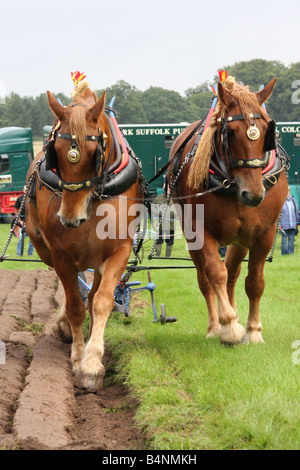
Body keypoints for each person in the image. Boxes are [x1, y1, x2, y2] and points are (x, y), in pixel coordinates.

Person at [152, 177, 175, 258]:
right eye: (166, 187)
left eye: (169, 187)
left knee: (170, 241)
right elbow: (153, 209)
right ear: (163, 187)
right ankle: (158, 256)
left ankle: (167, 257)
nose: (168, 189)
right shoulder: (158, 198)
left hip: (171, 225)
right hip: (160, 225)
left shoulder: (175, 199)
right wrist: (159, 213)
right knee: (158, 241)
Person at [279, 187, 300, 255]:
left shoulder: (293, 200)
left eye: (287, 191)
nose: (286, 192)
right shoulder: (281, 201)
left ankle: (291, 253)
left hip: (292, 224)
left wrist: (297, 222)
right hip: (283, 225)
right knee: (284, 240)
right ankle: (284, 254)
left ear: (289, 191)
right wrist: (279, 224)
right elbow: (278, 214)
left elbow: (296, 212)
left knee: (291, 239)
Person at [14, 187, 34, 257]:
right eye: (25, 190)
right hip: (22, 220)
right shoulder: (19, 199)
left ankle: (30, 253)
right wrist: (19, 220)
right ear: (23, 191)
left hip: (31, 221)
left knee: (32, 238)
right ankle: (19, 253)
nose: (27, 191)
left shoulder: (32, 199)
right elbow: (16, 210)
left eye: (28, 190)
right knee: (21, 237)